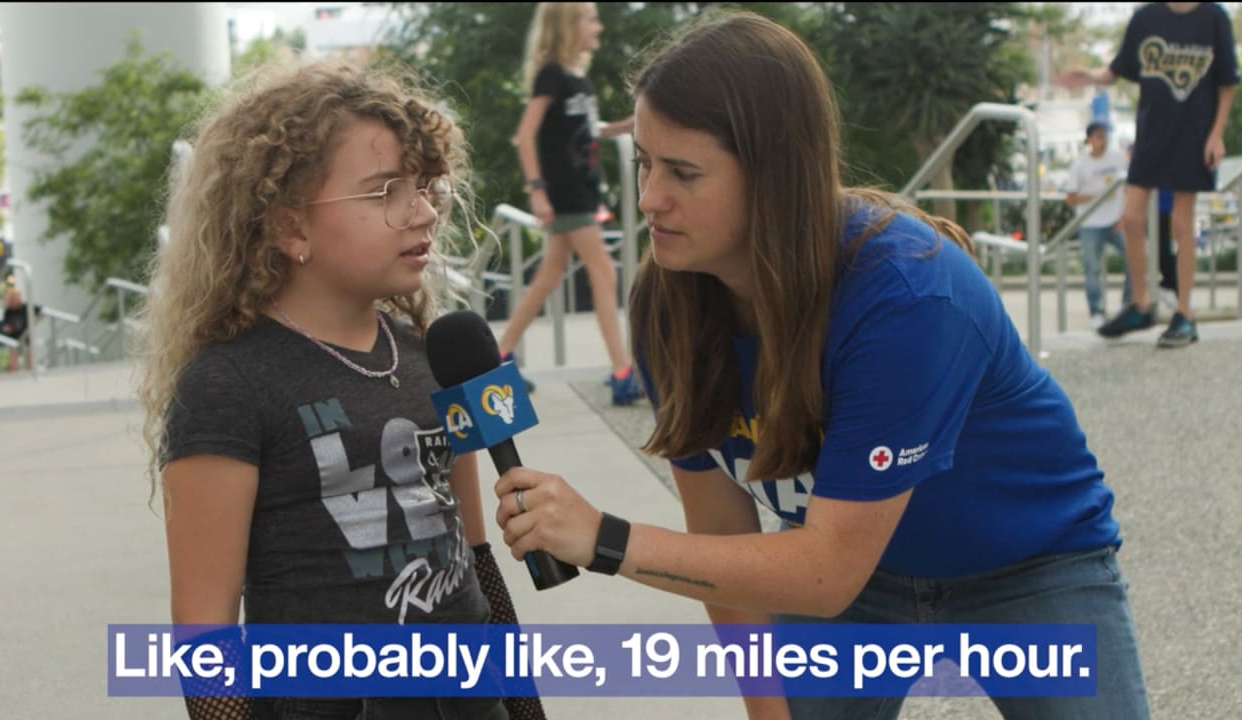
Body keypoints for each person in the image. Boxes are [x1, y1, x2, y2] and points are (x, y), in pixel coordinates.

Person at [492, 12, 1151, 720]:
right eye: (646, 163)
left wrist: (605, 538)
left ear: (777, 174)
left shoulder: (905, 296)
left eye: (683, 172)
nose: (650, 198)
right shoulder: (669, 303)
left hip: (1026, 564)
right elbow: (724, 541)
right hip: (853, 585)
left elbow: (827, 573)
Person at [137, 60, 532, 720]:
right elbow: (205, 630)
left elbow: (478, 560)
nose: (425, 211)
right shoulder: (226, 384)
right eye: (385, 192)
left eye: (425, 187)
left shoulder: (440, 355)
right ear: (291, 228)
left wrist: (524, 707)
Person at [1068, 2, 1238, 347]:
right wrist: (1087, 76)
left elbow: (1226, 81)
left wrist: (1216, 133)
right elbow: (1116, 70)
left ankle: (1185, 314)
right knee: (1131, 216)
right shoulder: (1146, 17)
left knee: (1181, 221)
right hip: (1151, 133)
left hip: (1194, 133)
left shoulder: (1213, 17)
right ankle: (1143, 303)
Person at [500, 2, 642, 405]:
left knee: (548, 276)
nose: (597, 26)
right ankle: (621, 371)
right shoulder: (553, 75)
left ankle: (499, 354)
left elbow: (584, 128)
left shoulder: (579, 79)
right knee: (604, 273)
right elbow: (526, 135)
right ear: (569, 25)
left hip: (582, 190)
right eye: (591, 19)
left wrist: (626, 125)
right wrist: (537, 191)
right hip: (567, 195)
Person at [1063, 121, 1131, 329]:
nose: (1103, 141)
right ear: (1090, 139)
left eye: (1105, 136)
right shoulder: (1080, 165)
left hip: (1116, 221)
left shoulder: (1118, 159)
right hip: (1091, 223)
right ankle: (1097, 311)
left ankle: (1129, 304)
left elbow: (1130, 186)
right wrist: (1096, 197)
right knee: (1092, 268)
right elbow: (1070, 197)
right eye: (1099, 136)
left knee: (1136, 257)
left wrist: (1125, 215)